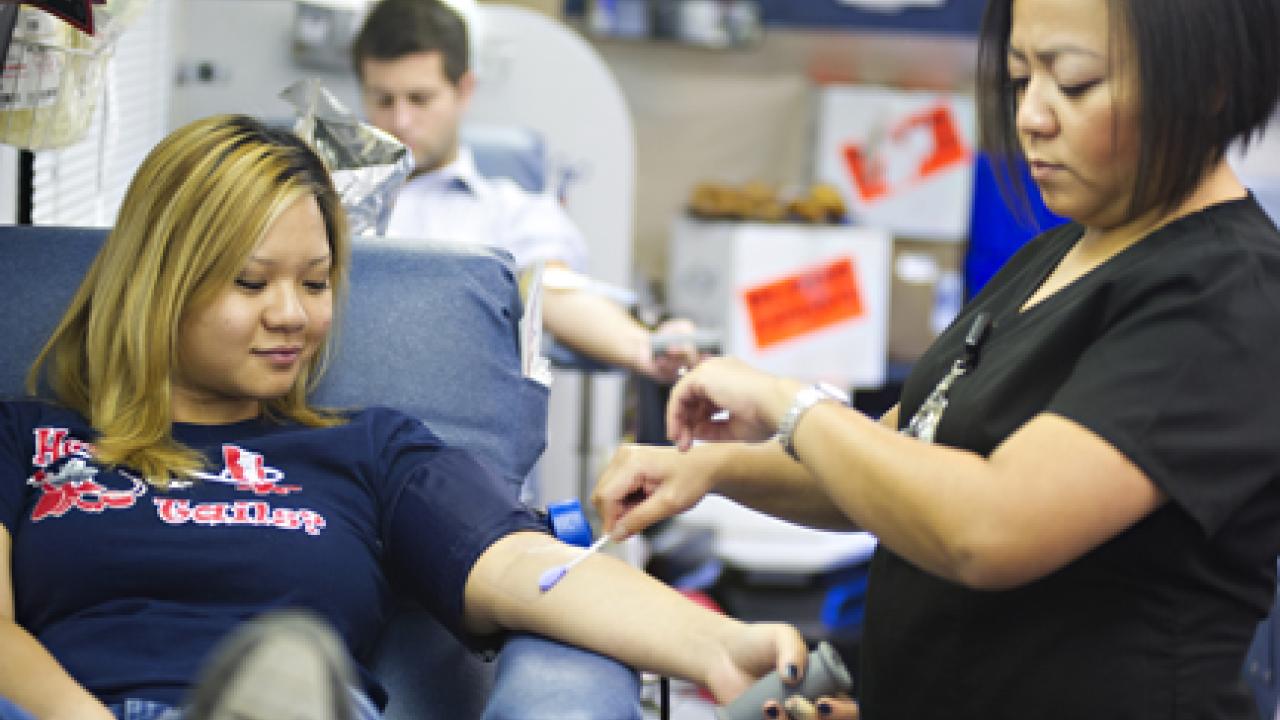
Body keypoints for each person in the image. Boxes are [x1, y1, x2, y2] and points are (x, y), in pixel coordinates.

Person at [593, 0, 1280, 718]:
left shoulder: (1225, 296)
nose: (1032, 117)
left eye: (1074, 83)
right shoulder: (1064, 251)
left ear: (1211, 85)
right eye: (1021, 79)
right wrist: (707, 468)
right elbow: (893, 458)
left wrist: (790, 404)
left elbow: (989, 526)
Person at [0, 114, 811, 720]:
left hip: (307, 707)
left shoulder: (370, 452)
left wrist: (720, 646)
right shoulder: (24, 441)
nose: (293, 315)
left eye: (315, 284)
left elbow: (533, 569)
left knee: (292, 675)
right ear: (159, 282)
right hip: (77, 710)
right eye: (251, 283)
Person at [350, 0, 701, 384]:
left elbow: (553, 292)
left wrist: (645, 346)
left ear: (464, 90)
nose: (400, 121)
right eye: (382, 100)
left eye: (420, 99)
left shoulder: (509, 213)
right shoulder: (323, 198)